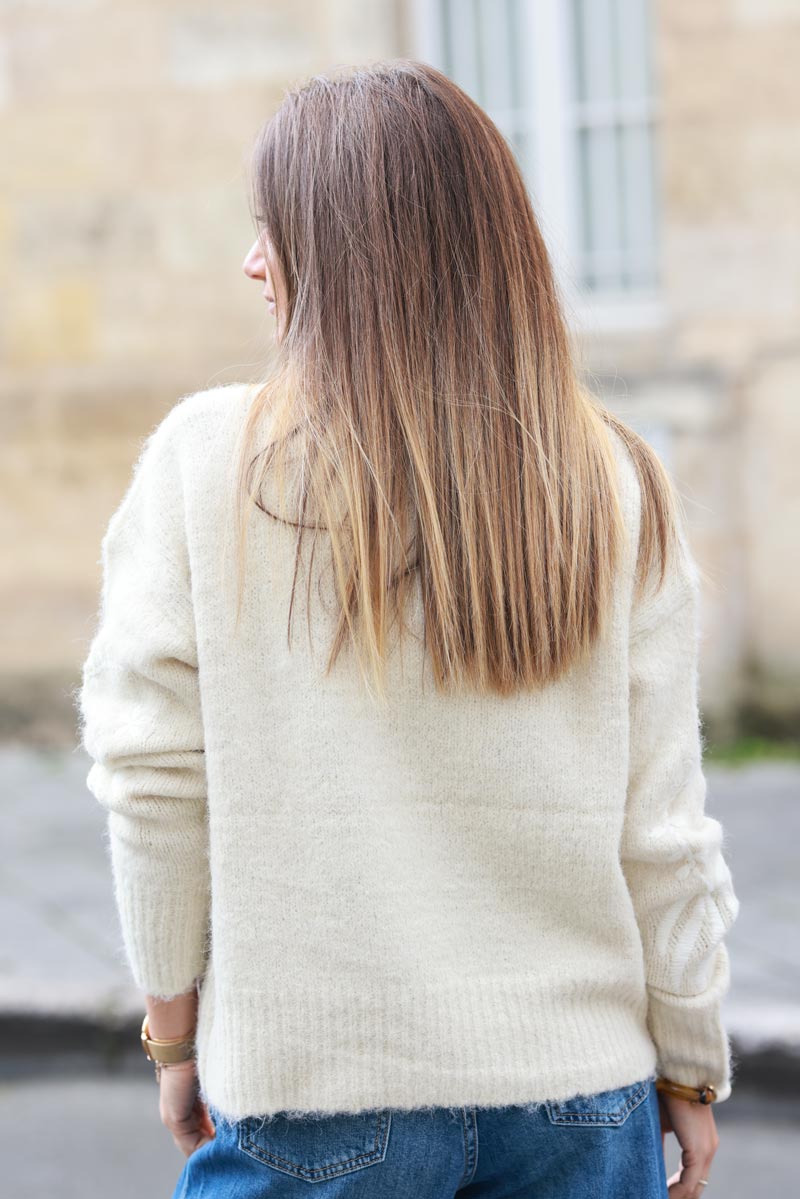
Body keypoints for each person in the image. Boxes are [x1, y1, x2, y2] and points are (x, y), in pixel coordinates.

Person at [76, 59, 740, 1199]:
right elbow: (663, 826)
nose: (252, 261)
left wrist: (173, 1035)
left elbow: (150, 782)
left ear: (341, 251)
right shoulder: (612, 480)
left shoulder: (204, 463)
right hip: (580, 1099)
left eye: (270, 230)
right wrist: (689, 1056)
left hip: (312, 1096)